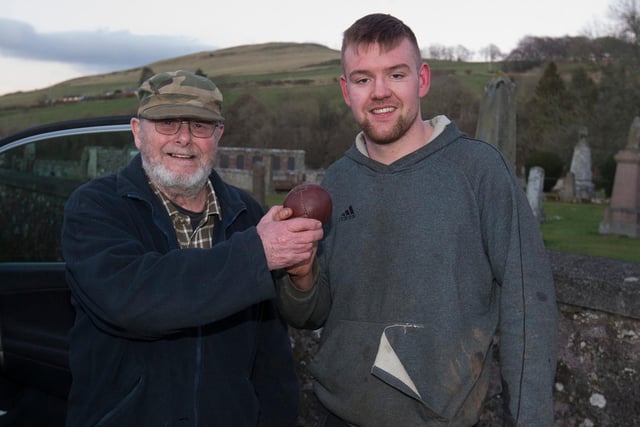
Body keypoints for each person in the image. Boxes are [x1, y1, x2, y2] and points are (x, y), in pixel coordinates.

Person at [276, 14, 558, 427]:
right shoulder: (338, 180)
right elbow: (311, 315)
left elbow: (528, 304)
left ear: (422, 79)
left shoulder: (478, 170)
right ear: (345, 90)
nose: (380, 92)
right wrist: (301, 274)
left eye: (396, 73)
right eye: (362, 79)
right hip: (333, 413)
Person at [61, 70, 323, 426]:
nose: (184, 138)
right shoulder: (95, 207)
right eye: (167, 122)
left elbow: (272, 356)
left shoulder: (248, 216)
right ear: (138, 132)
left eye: (201, 126)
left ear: (218, 136)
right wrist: (257, 255)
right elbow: (133, 299)